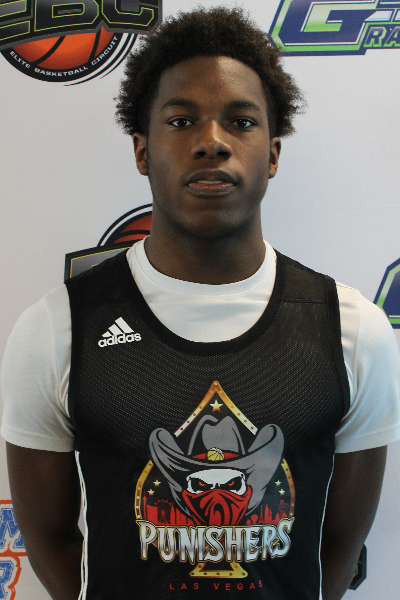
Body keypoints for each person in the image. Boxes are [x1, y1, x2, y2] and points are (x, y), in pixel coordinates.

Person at [2, 7, 400, 600]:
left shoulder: (353, 331)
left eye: (241, 122)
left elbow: (339, 546)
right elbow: (51, 540)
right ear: (142, 151)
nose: (211, 142)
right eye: (182, 120)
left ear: (272, 154)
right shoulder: (58, 328)